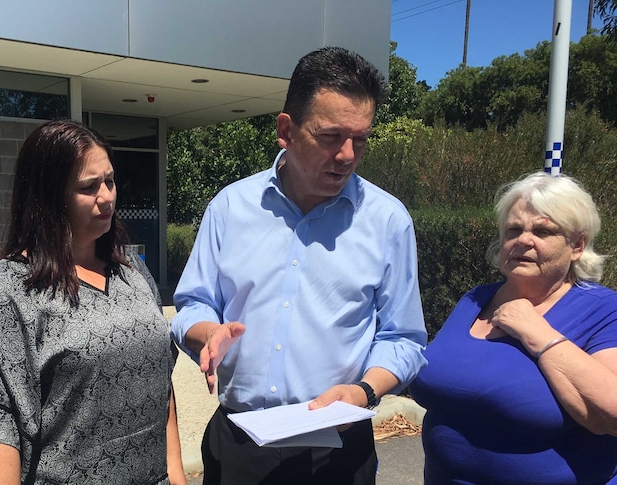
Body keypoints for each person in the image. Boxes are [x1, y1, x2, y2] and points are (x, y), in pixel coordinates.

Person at [170, 46, 428, 484]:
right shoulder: (230, 207)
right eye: (330, 137)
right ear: (286, 130)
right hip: (239, 446)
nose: (347, 155)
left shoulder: (387, 221)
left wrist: (364, 391)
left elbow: (403, 338)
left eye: (360, 139)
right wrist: (208, 333)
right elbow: (193, 303)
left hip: (338, 453)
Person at [0, 120, 187, 485]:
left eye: (109, 181)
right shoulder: (9, 291)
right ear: (49, 197)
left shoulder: (132, 270)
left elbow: (162, 388)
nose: (107, 196)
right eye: (88, 187)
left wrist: (177, 476)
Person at [409, 172, 617, 484]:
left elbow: (611, 415)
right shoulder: (475, 299)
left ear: (577, 245)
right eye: (514, 229)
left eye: (543, 231)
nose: (523, 240)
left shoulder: (603, 310)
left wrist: (538, 333)